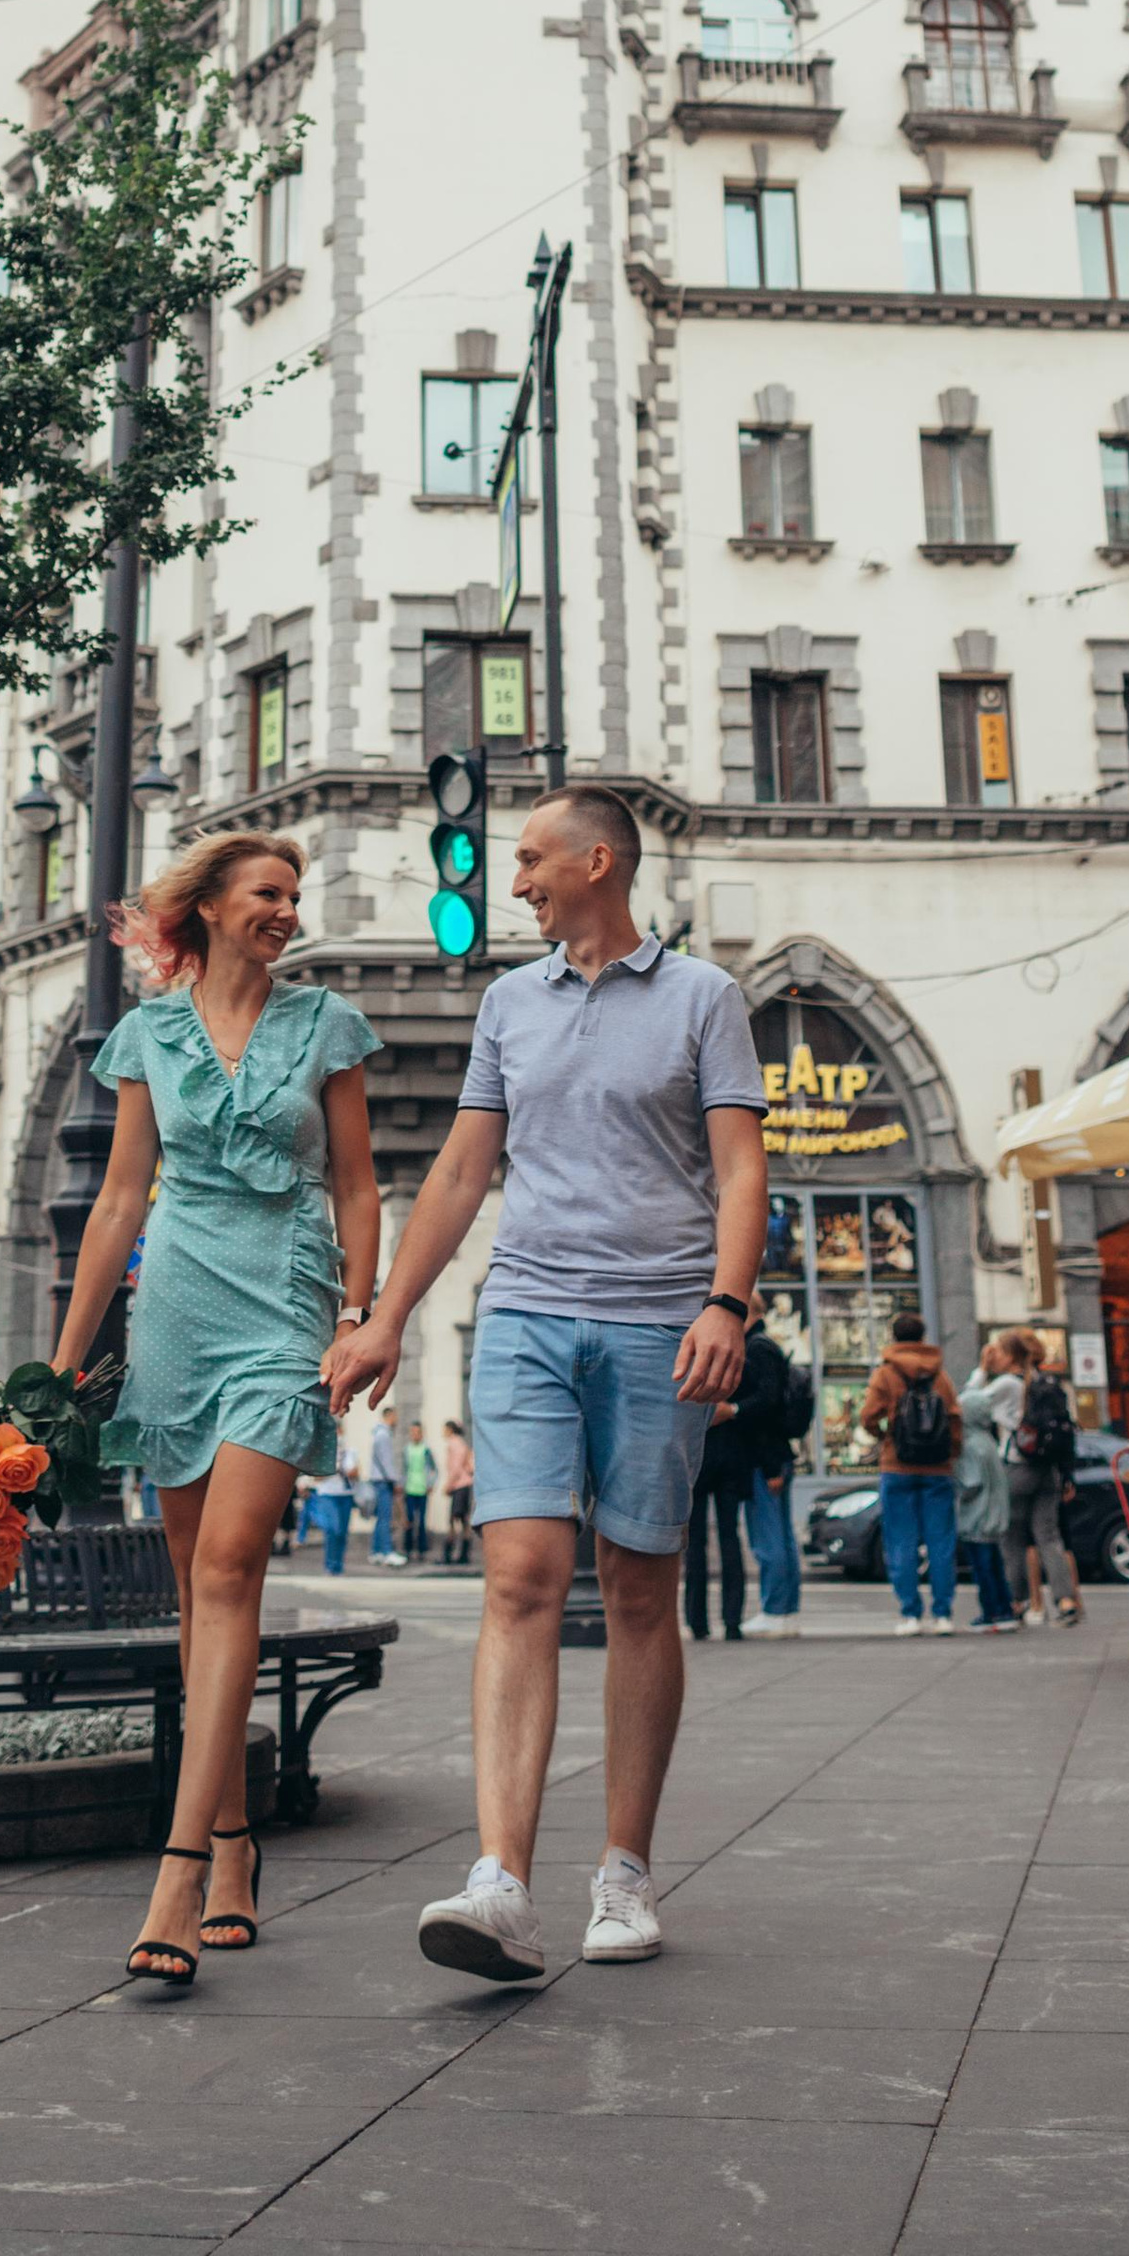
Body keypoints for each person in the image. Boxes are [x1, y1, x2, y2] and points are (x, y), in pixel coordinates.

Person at [326, 786, 767, 1979]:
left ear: (598, 861)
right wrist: (383, 1317)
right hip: (521, 1312)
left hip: (655, 1323)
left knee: (636, 1589)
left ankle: (623, 1872)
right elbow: (465, 1171)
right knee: (518, 1575)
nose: (512, 881)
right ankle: (500, 1884)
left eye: (529, 859)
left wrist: (725, 1302)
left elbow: (739, 1173)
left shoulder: (703, 1000)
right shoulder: (509, 1002)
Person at [52, 829, 382, 1992]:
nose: (287, 911)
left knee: (232, 1566)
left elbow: (354, 1181)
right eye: (268, 894)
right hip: (178, 1306)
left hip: (285, 1300)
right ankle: (239, 1843)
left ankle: (180, 1866)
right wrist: (62, 1358)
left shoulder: (325, 1025)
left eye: (294, 896)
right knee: (196, 1595)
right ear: (209, 908)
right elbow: (120, 1200)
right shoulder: (147, 1035)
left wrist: (357, 1316)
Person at [861, 1312, 962, 1634]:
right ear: (922, 1336)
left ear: (894, 1336)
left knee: (900, 1540)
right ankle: (943, 1614)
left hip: (898, 1466)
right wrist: (951, 1454)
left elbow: (868, 1417)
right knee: (941, 1542)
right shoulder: (941, 1375)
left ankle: (911, 1614)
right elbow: (956, 1419)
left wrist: (884, 1437)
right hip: (938, 1469)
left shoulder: (886, 1373)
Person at [733, 1297, 804, 1637]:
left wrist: (731, 1411)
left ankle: (775, 1609)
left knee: (767, 1537)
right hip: (776, 1456)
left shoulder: (756, 1348)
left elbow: (766, 1406)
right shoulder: (768, 1346)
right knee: (782, 1536)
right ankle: (786, 1610)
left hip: (765, 1458)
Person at [1003, 1332, 1083, 1627]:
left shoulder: (1008, 1385)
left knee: (1012, 1537)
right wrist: (1067, 1476)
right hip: (1049, 1469)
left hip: (1018, 1468)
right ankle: (1065, 1600)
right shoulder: (1051, 1384)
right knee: (1049, 1537)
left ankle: (1016, 1601)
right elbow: (1067, 1433)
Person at [954, 1346, 1019, 1632]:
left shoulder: (970, 1446)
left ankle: (991, 1611)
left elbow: (970, 1484)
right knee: (996, 1567)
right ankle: (1005, 1610)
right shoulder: (989, 1443)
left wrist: (955, 1486)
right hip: (993, 1517)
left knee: (983, 1571)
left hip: (976, 1519)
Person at [684, 1390, 754, 1643]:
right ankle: (728, 1621)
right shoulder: (737, 1356)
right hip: (724, 1455)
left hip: (702, 1455)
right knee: (725, 1539)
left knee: (700, 1542)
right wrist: (733, 1409)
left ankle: (701, 1621)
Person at [369, 1406, 403, 1566]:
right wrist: (395, 1481)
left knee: (380, 1519)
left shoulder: (379, 1434)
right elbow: (386, 1461)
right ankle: (387, 1551)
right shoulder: (384, 1435)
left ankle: (376, 1552)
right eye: (395, 1416)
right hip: (384, 1481)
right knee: (385, 1518)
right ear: (389, 1416)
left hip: (379, 1480)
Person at [440, 1417, 475, 1562]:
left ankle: (449, 1553)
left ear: (450, 1429)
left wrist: (448, 1485)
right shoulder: (461, 1443)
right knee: (464, 1520)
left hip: (459, 1486)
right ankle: (463, 1554)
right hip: (464, 1485)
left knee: (453, 1520)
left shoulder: (454, 1443)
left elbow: (456, 1468)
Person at [401, 1419, 436, 1563]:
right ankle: (408, 1550)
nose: (415, 1435)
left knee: (421, 1521)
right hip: (409, 1488)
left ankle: (421, 1550)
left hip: (422, 1488)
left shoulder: (426, 1449)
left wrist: (431, 1484)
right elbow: (404, 1469)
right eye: (413, 1432)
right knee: (409, 1520)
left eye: (417, 1432)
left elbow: (434, 1469)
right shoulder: (407, 1449)